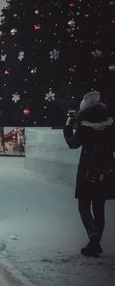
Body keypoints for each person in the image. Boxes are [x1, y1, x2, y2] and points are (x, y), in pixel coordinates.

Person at [63, 91, 115, 258]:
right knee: (99, 208)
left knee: (83, 206)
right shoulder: (110, 123)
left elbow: (73, 144)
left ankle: (93, 240)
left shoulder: (84, 125)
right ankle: (94, 245)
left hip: (87, 170)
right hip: (106, 170)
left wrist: (68, 127)